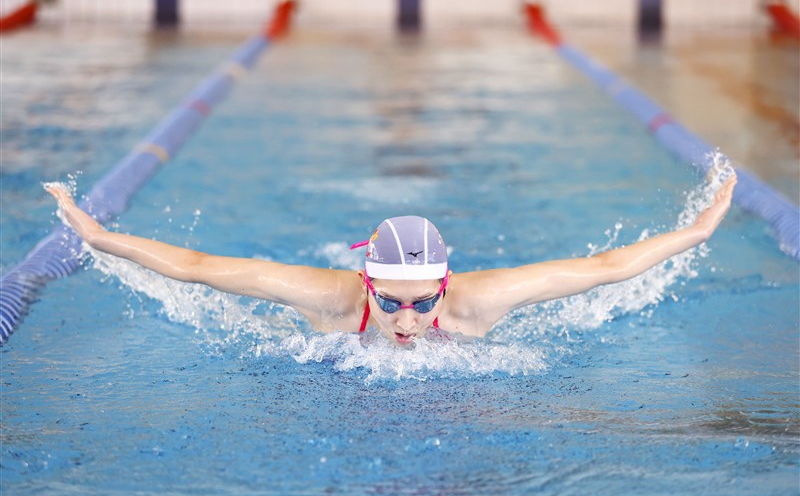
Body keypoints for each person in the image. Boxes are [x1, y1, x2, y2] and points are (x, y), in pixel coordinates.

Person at [46, 175, 736, 347]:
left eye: (424, 302)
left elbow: (607, 268)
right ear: (363, 284)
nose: (407, 321)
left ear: (446, 285)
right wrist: (98, 235)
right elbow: (197, 265)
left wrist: (701, 230)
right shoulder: (327, 297)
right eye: (392, 302)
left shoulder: (479, 301)